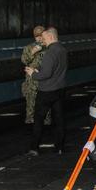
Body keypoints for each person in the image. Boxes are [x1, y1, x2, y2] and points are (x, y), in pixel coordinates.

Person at [27, 26, 67, 155]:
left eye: (44, 38)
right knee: (59, 120)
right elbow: (55, 70)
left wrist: (33, 73)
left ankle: (34, 148)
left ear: (50, 36)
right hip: (60, 89)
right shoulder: (63, 50)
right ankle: (59, 147)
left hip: (46, 91)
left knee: (39, 120)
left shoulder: (50, 53)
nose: (42, 41)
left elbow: (46, 74)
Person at [20, 25, 46, 124]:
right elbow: (24, 61)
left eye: (41, 35)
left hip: (45, 80)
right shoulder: (28, 48)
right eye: (37, 36)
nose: (39, 38)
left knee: (45, 106)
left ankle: (46, 124)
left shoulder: (49, 47)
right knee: (31, 106)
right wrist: (33, 52)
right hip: (31, 82)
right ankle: (30, 124)